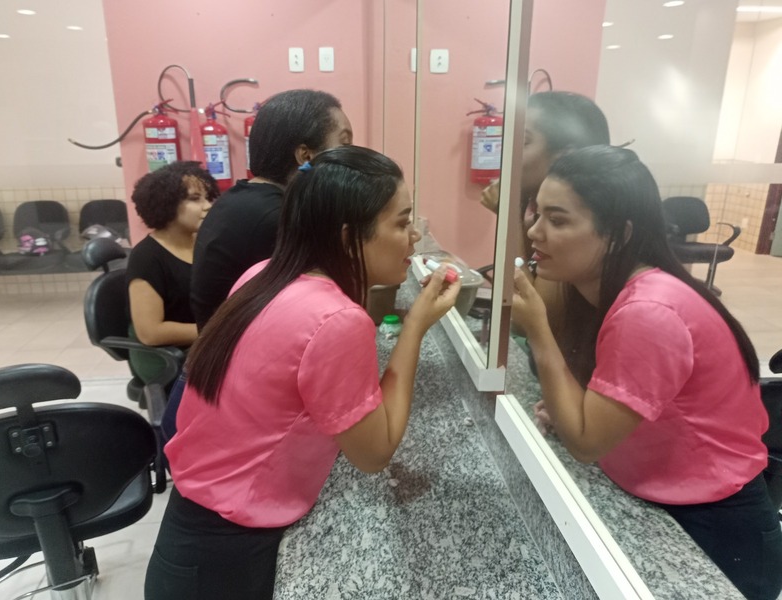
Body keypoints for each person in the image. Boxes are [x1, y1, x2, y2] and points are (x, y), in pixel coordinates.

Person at [144, 146, 461, 600]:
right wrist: (416, 327)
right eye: (401, 222)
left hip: (188, 524)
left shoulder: (263, 273)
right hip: (225, 553)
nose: (412, 237)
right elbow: (375, 453)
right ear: (349, 237)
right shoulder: (337, 320)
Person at [511, 144, 782, 600]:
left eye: (557, 220)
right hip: (663, 500)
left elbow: (586, 442)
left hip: (716, 529)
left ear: (619, 234)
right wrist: (571, 407)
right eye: (536, 214)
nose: (535, 231)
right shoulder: (611, 290)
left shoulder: (649, 312)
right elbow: (606, 405)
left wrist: (537, 329)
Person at [190, 88, 353, 331]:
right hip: (237, 352)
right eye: (345, 144)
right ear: (306, 156)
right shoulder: (275, 218)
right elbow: (324, 309)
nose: (353, 157)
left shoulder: (241, 199)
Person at [479, 91, 611, 334]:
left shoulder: (580, 221)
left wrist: (507, 212)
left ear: (566, 156)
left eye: (523, 142)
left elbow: (531, 321)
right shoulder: (534, 211)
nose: (507, 154)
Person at [125, 161, 219, 384]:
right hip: (165, 356)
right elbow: (150, 333)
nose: (207, 206)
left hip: (202, 342)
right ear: (166, 204)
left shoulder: (204, 244)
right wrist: (216, 331)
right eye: (195, 199)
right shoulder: (146, 257)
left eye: (208, 198)